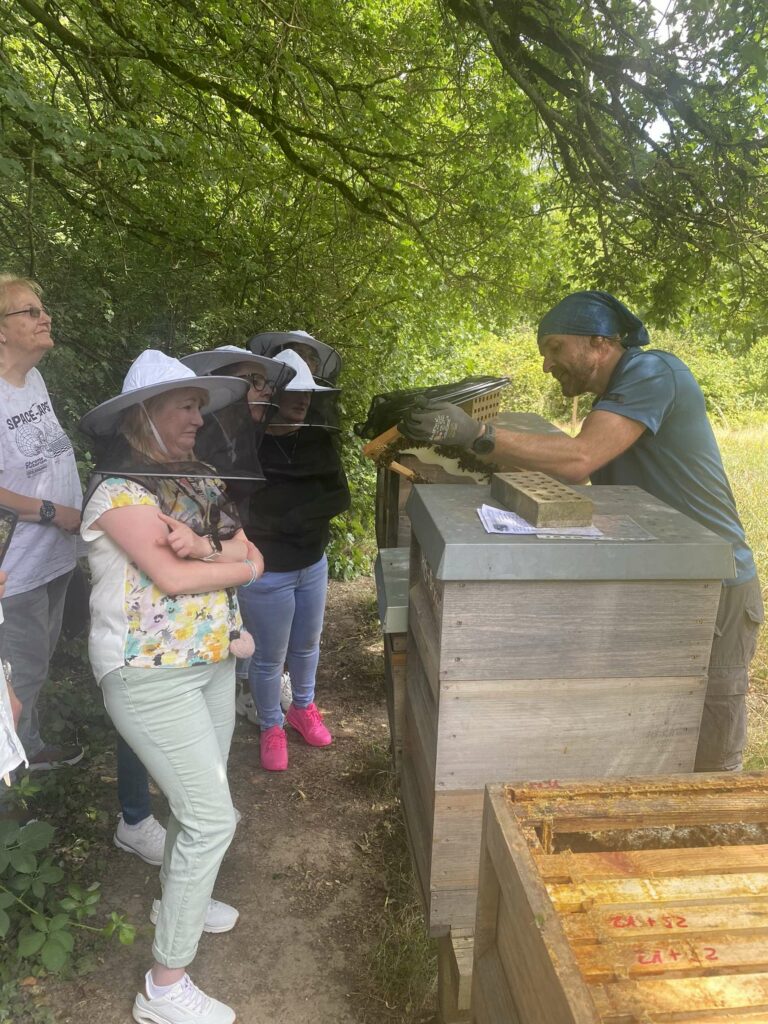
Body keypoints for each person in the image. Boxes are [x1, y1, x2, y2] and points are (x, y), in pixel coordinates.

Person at [399, 290, 764, 773]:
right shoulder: (617, 395)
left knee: (710, 744)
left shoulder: (654, 373)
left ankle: (722, 841)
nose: (548, 365)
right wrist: (458, 472)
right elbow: (566, 465)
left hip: (717, 583)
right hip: (665, 575)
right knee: (656, 724)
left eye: (554, 348)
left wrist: (478, 435)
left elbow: (578, 459)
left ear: (599, 343)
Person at [79, 350, 263, 1024]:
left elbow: (254, 556)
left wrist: (212, 552)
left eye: (199, 405)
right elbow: (178, 579)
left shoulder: (200, 481)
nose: (198, 416)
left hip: (210, 660)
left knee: (199, 799)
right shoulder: (115, 494)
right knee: (214, 816)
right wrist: (225, 562)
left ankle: (175, 896)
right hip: (146, 676)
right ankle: (163, 987)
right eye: (184, 404)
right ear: (143, 414)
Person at [236, 348, 350, 771]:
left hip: (312, 562)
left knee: (306, 645)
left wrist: (300, 518)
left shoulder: (318, 438)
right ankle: (271, 726)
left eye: (309, 392)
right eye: (294, 391)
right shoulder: (249, 442)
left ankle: (303, 709)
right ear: (275, 396)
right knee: (267, 656)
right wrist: (279, 526)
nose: (303, 400)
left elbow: (341, 495)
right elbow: (237, 507)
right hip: (267, 572)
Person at [0, 274, 84, 770]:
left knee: (36, 662)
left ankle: (26, 745)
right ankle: (11, 775)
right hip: (15, 567)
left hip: (54, 555)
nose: (44, 317)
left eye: (42, 308)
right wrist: (53, 512)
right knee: (19, 671)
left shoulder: (32, 380)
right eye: (28, 311)